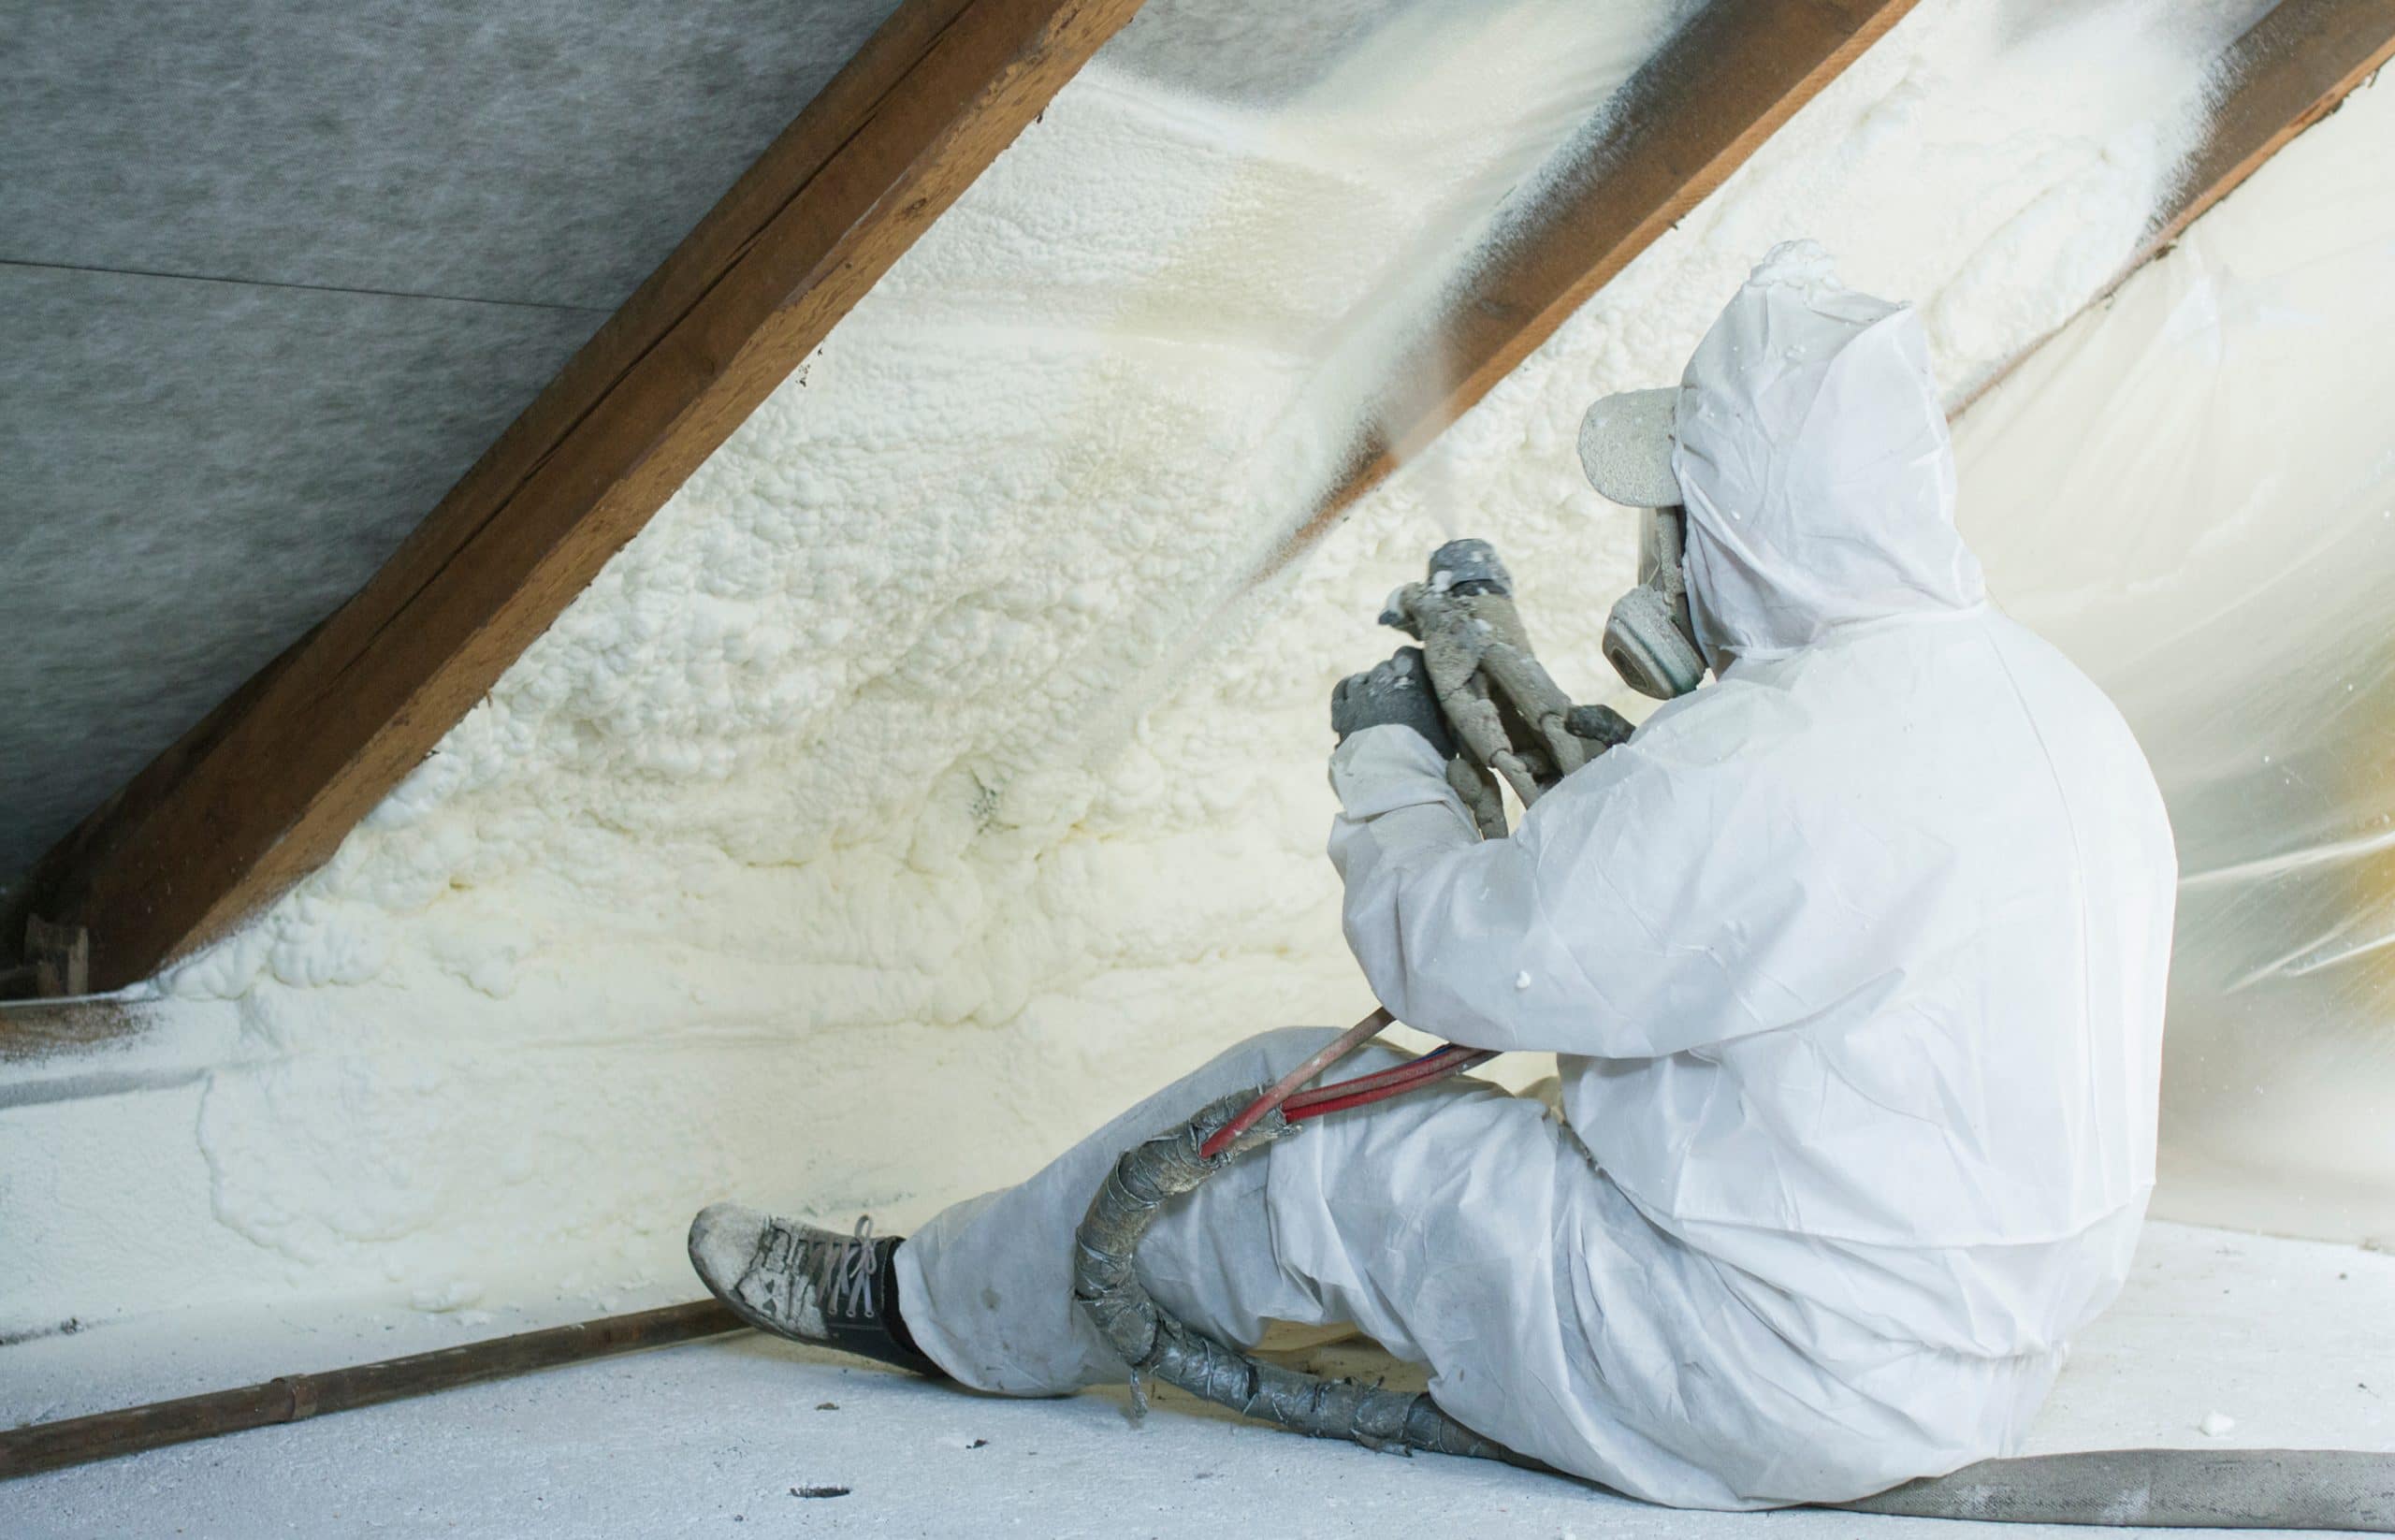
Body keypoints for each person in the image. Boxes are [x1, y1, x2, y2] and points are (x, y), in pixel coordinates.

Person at [686, 242, 2176, 1509]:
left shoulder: (1760, 764)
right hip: (1984, 1361)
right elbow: (1794, 935)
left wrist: (1390, 766)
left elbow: (1453, 961)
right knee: (1522, 1134)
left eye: (1682, 513)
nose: (1667, 549)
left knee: (1287, 1117)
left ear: (1736, 525)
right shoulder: (2054, 709)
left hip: (1760, 1370)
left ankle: (927, 1310)